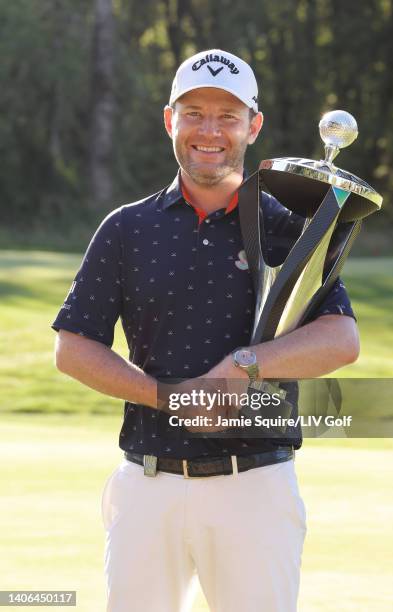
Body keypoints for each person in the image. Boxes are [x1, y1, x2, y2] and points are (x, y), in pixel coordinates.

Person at [52, 49, 359, 612]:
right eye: (194, 112)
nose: (210, 130)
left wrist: (241, 368)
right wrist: (170, 398)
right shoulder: (127, 228)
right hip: (147, 487)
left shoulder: (285, 227)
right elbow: (72, 348)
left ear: (253, 126)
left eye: (228, 115)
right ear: (170, 120)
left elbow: (341, 340)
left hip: (256, 488)